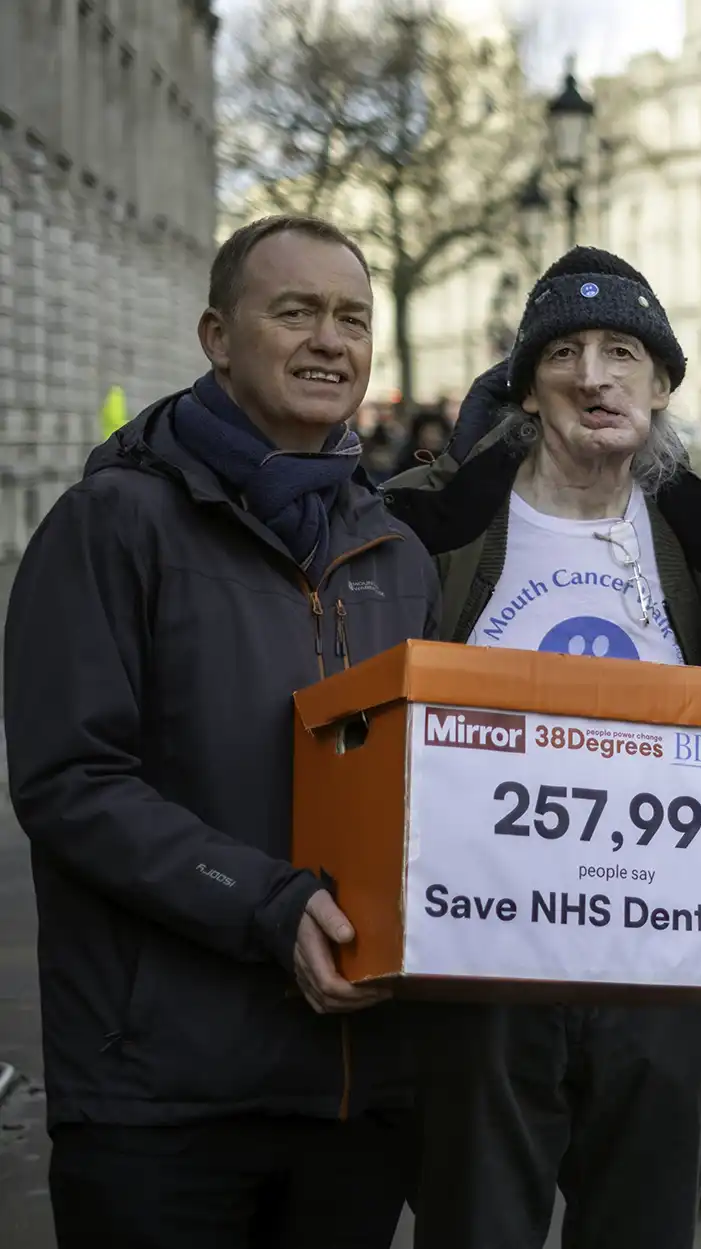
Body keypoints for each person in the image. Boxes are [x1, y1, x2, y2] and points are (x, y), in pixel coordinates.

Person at [4, 215, 436, 1247]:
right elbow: (70, 781)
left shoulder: (397, 555)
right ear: (216, 335)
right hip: (162, 1096)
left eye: (351, 318)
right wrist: (265, 905)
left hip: (351, 1092)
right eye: (293, 313)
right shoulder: (113, 524)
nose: (330, 341)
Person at [380, 247, 701, 1249]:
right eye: (564, 354)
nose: (593, 376)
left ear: (661, 386)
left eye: (623, 352)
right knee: (478, 1222)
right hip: (482, 963)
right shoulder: (431, 522)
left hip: (658, 964)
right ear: (527, 390)